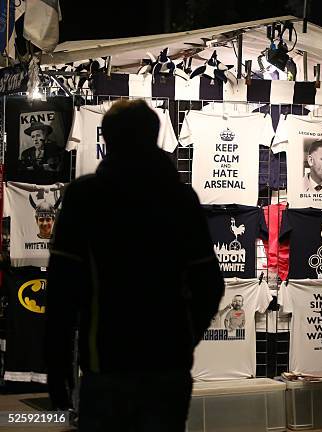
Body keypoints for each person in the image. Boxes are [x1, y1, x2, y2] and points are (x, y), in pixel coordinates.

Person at [44, 100, 224, 432]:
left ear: (108, 139)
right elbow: (210, 283)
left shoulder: (86, 196)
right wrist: (185, 338)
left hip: (107, 364)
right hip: (167, 363)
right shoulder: (181, 199)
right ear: (154, 137)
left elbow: (61, 292)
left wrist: (58, 375)